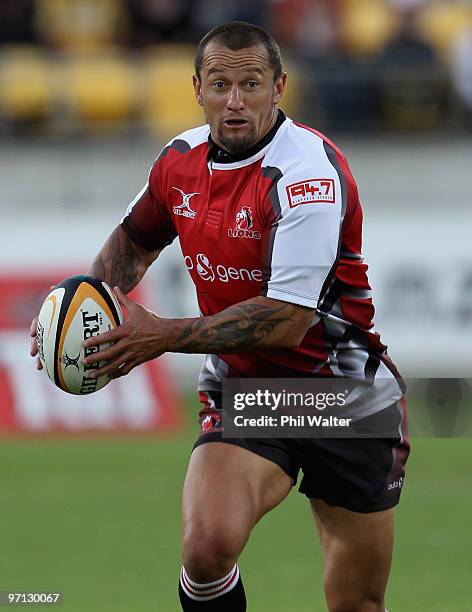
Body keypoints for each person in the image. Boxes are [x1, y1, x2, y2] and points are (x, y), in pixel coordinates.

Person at [30, 21, 409, 612]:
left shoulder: (307, 174)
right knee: (207, 550)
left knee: (356, 601)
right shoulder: (178, 162)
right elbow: (131, 245)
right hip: (249, 387)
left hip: (341, 393)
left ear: (279, 87)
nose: (236, 100)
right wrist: (75, 309)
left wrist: (161, 336)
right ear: (197, 89)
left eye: (252, 83)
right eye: (221, 84)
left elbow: (286, 320)